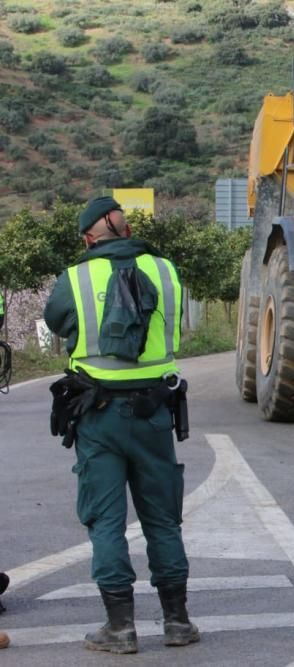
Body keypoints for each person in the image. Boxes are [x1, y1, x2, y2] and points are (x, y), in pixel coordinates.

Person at [43, 196, 198, 654]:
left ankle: (120, 628)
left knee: (106, 522)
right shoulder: (166, 270)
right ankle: (177, 622)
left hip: (99, 415)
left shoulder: (75, 278)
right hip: (155, 413)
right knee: (163, 521)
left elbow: (56, 320)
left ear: (90, 236)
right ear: (126, 228)